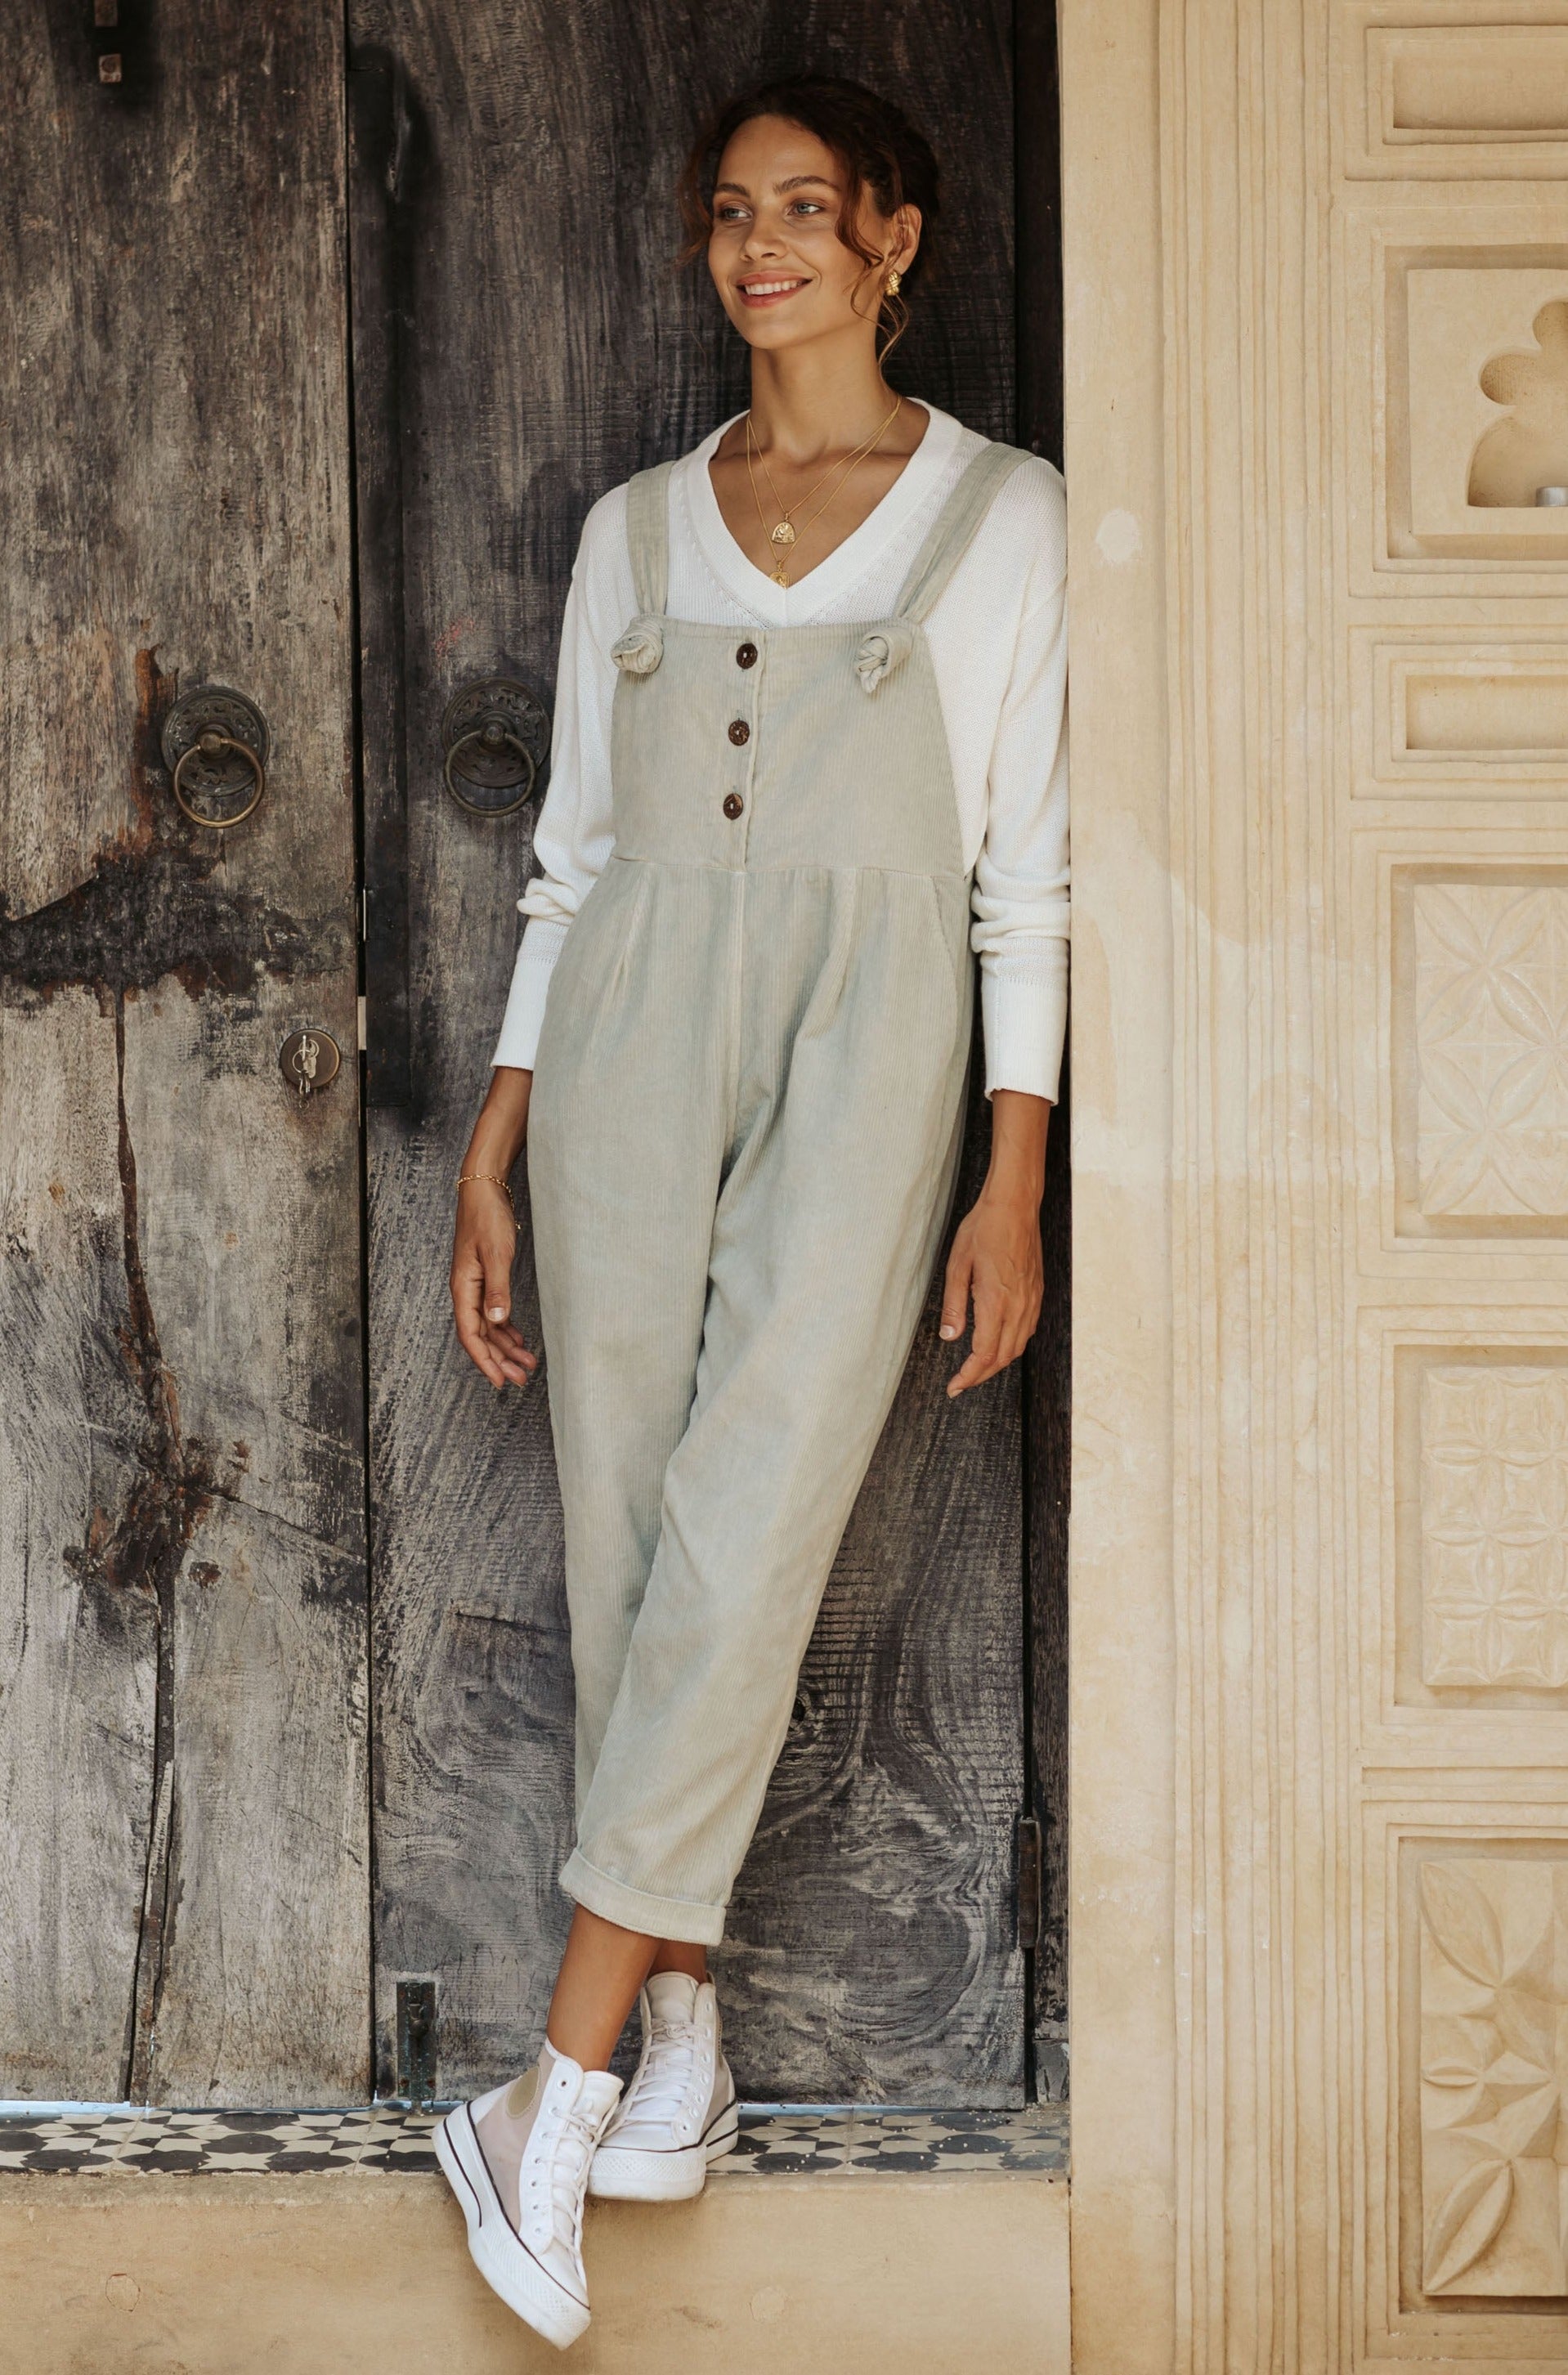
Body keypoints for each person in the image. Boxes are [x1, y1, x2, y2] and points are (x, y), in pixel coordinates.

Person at [435, 72, 1068, 2350]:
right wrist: (502, 1124)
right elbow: (577, 856)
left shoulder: (1008, 523)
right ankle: (679, 2045)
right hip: (619, 1026)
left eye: (810, 209)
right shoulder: (635, 526)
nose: (764, 245)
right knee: (626, 1523)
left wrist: (1015, 1169)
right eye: (734, 212)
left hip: (870, 1039)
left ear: (897, 239)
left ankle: (559, 2078)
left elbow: (1029, 882)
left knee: (750, 1509)